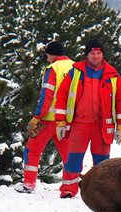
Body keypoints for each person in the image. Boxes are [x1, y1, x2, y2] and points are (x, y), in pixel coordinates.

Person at [54, 38, 121, 198]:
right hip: (79, 124)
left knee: (102, 163)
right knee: (73, 159)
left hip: (101, 126)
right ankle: (68, 189)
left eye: (99, 53)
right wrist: (60, 121)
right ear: (86, 55)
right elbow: (62, 95)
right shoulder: (75, 72)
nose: (96, 56)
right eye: (92, 53)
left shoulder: (113, 75)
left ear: (102, 55)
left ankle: (101, 191)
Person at [14, 40, 76, 197]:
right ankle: (70, 188)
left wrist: (36, 117)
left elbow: (46, 97)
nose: (46, 57)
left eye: (47, 54)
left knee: (32, 150)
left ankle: (28, 184)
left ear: (52, 54)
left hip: (49, 119)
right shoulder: (77, 67)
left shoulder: (52, 69)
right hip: (68, 119)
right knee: (69, 154)